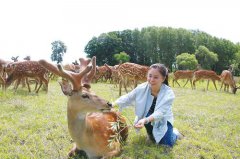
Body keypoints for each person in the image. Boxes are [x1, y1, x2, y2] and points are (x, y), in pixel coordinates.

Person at [113, 63, 183, 147]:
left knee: (167, 144)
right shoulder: (142, 87)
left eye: (156, 77)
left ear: (163, 78)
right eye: (150, 76)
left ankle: (175, 133)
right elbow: (128, 97)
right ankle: (151, 134)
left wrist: (145, 120)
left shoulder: (168, 93)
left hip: (163, 119)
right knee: (154, 139)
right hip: (147, 116)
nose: (151, 79)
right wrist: (113, 104)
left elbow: (160, 113)